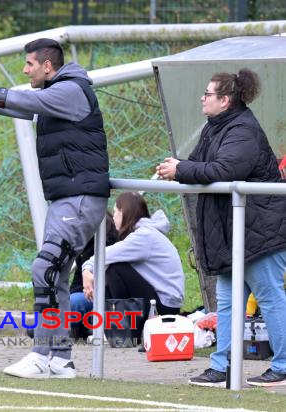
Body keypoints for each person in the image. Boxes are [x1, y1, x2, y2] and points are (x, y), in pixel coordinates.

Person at [0, 38, 109, 378]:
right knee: (57, 276)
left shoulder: (71, 91)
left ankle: (40, 353)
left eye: (29, 64)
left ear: (47, 65)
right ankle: (61, 360)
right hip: (65, 199)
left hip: (79, 200)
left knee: (45, 269)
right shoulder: (57, 94)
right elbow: (20, 107)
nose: (25, 70)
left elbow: (21, 98)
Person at [157, 68, 286, 387]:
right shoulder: (216, 127)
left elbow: (225, 169)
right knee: (227, 302)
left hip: (260, 233)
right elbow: (199, 165)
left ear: (225, 100)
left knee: (270, 297)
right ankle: (223, 366)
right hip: (235, 235)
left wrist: (182, 168)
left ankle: (283, 366)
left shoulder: (242, 129)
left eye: (208, 94)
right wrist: (174, 168)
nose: (202, 98)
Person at [81, 192, 184, 322]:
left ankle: (120, 326)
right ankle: (114, 326)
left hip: (164, 307)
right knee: (113, 268)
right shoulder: (147, 233)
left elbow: (105, 256)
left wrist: (87, 269)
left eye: (115, 212)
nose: (113, 217)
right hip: (167, 303)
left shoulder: (143, 237)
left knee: (115, 269)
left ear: (123, 212)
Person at [68, 211, 118, 341]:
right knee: (70, 299)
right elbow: (77, 283)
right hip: (88, 296)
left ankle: (58, 326)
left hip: (106, 300)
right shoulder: (83, 248)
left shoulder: (112, 245)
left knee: (75, 302)